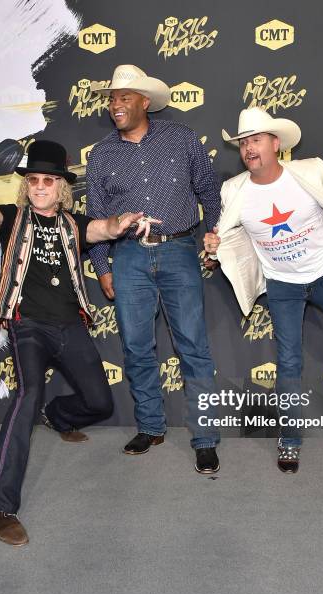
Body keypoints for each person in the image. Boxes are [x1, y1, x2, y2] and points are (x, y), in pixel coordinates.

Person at [0, 140, 156, 546]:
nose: (39, 187)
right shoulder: (13, 218)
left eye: (48, 181)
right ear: (26, 186)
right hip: (28, 323)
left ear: (61, 187)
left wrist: (122, 220)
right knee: (26, 396)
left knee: (100, 403)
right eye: (33, 180)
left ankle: (59, 416)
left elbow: (104, 228)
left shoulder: (73, 224)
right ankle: (1, 506)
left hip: (70, 325)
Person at [204, 108, 323, 474]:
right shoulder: (234, 190)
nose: (248, 149)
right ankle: (289, 436)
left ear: (276, 143)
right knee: (288, 361)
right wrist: (212, 247)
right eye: (243, 143)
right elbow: (225, 236)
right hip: (282, 285)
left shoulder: (310, 171)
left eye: (256, 140)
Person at [86, 65, 221, 474]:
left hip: (179, 248)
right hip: (127, 257)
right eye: (112, 98)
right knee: (136, 347)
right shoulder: (101, 154)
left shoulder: (181, 139)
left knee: (193, 347)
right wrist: (101, 267)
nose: (115, 105)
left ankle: (205, 437)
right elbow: (94, 215)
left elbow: (210, 192)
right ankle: (150, 426)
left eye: (124, 97)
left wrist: (212, 234)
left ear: (146, 101)